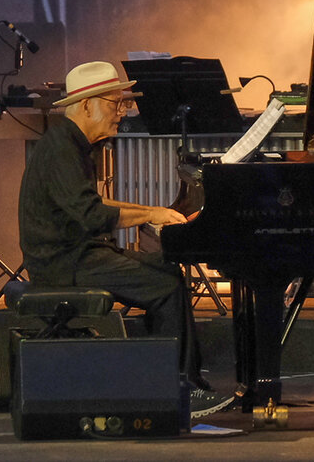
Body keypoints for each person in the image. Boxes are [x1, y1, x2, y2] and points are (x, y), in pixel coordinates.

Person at [18, 60, 233, 419]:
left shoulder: (68, 143)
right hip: (63, 263)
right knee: (165, 286)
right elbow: (92, 215)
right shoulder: (61, 149)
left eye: (123, 104)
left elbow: (96, 204)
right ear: (87, 105)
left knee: (167, 271)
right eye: (115, 103)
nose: (122, 112)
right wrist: (150, 215)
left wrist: (153, 211)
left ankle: (167, 384)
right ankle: (177, 391)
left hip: (78, 254)